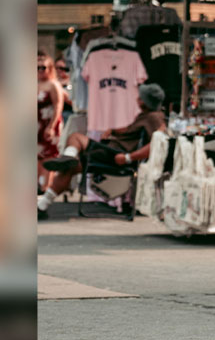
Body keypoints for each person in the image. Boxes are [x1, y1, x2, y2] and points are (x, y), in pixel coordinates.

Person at [37, 83, 167, 220]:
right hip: (112, 150)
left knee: (76, 137)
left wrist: (129, 157)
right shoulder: (145, 115)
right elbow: (129, 131)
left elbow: (156, 144)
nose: (137, 99)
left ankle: (68, 156)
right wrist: (113, 130)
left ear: (145, 101)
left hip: (116, 154)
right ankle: (43, 205)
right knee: (69, 168)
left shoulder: (155, 118)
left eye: (140, 98)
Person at [38, 52, 65, 196]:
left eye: (43, 67)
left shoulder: (53, 85)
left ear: (50, 68)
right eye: (37, 68)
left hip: (48, 123)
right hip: (35, 125)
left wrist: (51, 126)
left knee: (49, 157)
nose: (40, 71)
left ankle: (46, 189)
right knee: (37, 156)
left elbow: (58, 106)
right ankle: (39, 186)